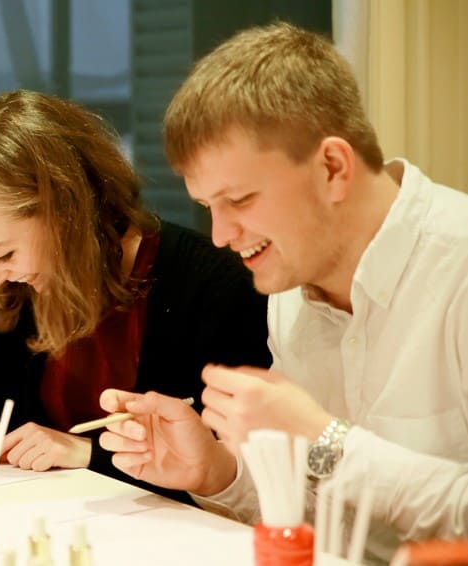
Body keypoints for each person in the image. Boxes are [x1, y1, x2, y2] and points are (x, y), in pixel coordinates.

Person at [97, 22, 468, 562]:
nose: (221, 237)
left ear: (332, 167)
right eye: (208, 208)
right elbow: (324, 520)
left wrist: (325, 441)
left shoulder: (457, 266)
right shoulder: (290, 287)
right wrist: (218, 472)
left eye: (241, 199)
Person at [0, 90, 271, 493]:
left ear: (67, 212)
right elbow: (5, 397)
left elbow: (228, 468)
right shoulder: (26, 283)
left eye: (3, 253)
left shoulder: (212, 283)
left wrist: (86, 454)